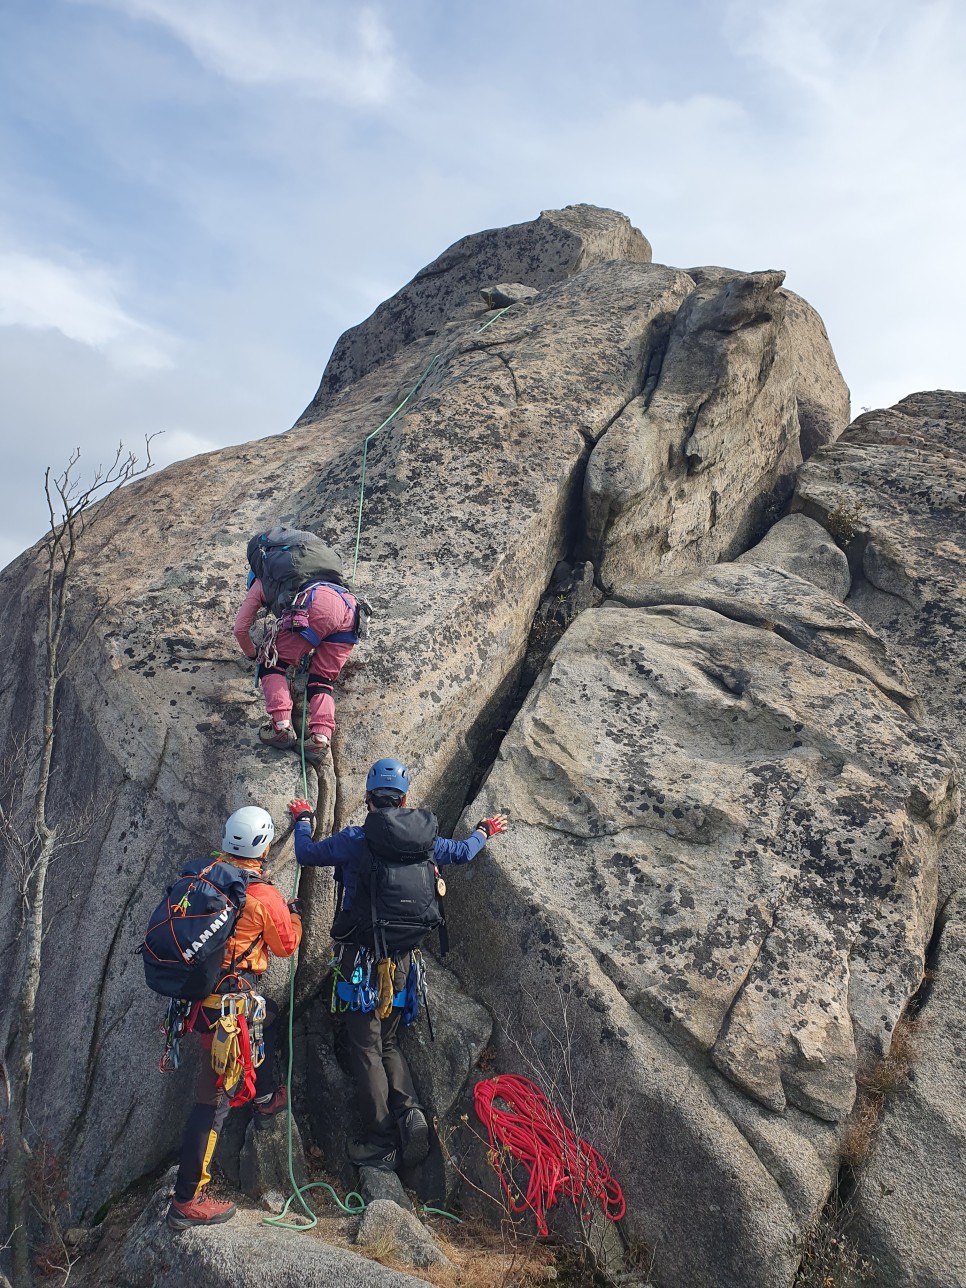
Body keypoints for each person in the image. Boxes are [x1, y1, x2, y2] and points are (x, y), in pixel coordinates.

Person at [288, 758, 507, 1171]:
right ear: (404, 798)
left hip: (360, 962)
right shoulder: (425, 840)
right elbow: (461, 853)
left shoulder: (356, 839)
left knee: (365, 1047)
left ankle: (382, 1139)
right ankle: (410, 1113)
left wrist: (303, 818)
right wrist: (484, 831)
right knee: (386, 1042)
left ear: (369, 798)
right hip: (405, 960)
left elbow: (306, 853)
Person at [167, 806, 302, 1230]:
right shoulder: (263, 897)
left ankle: (262, 1097)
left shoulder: (203, 874)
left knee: (260, 1026)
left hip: (196, 1001)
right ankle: (186, 1199)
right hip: (228, 1006)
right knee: (213, 1102)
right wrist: (293, 912)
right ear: (262, 846)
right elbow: (286, 945)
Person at [233, 576, 357, 761]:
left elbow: (240, 630)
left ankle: (281, 726)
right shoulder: (310, 573)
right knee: (322, 680)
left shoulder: (262, 580)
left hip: (317, 604)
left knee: (272, 662)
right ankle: (321, 737)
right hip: (351, 609)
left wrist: (253, 654)